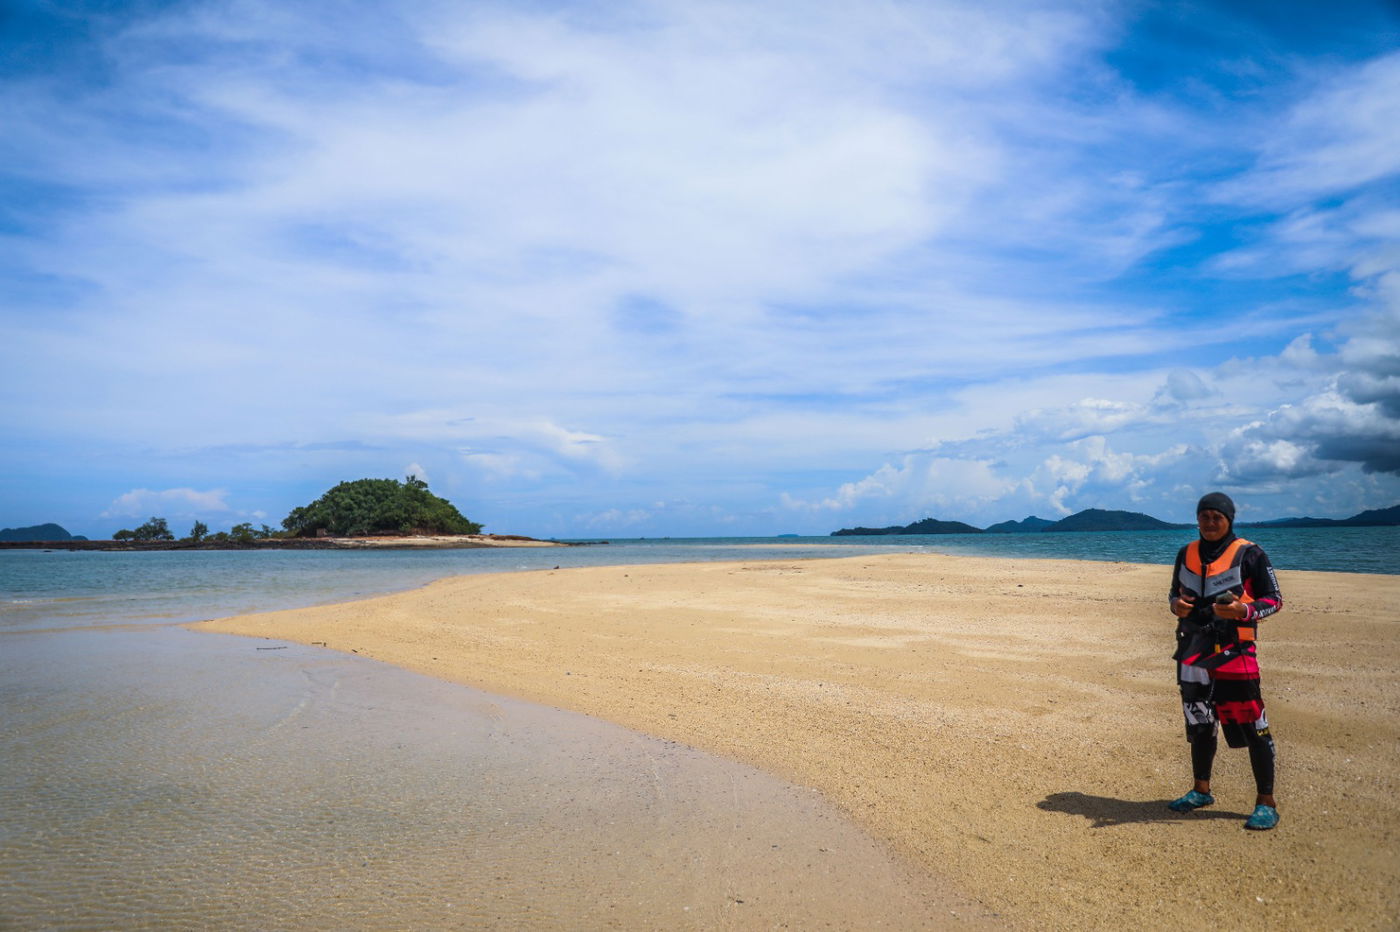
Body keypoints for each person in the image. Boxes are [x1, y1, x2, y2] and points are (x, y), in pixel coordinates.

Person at [1167, 491, 1283, 830]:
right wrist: (1176, 605)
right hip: (1192, 652)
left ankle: (1266, 801)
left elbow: (1274, 600)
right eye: (1204, 515)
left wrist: (1243, 610)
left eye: (1217, 516)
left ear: (1229, 518)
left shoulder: (1251, 555)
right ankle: (1200, 789)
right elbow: (1175, 592)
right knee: (1199, 723)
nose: (1209, 522)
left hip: (1235, 655)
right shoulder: (1185, 553)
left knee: (1253, 726)